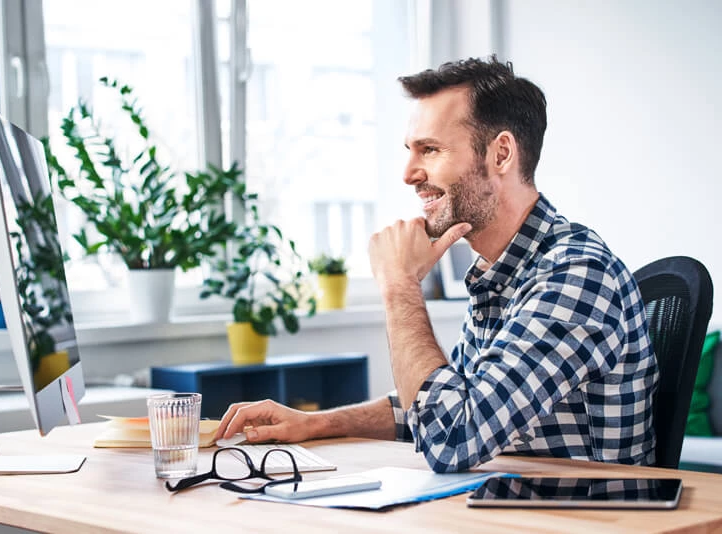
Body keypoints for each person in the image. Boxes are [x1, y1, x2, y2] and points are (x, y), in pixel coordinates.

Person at [215, 56, 658, 473]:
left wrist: (399, 284)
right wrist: (315, 424)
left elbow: (452, 437)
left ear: (501, 154)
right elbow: (438, 409)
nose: (408, 173)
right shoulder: (502, 274)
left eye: (429, 150)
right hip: (505, 510)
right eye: (411, 150)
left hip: (581, 521)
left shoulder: (574, 276)